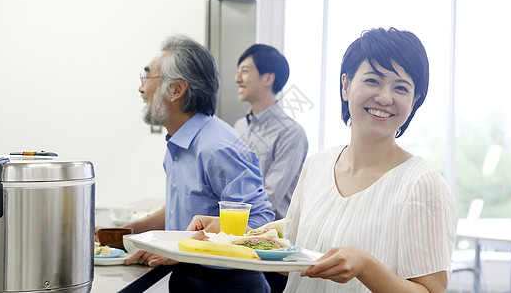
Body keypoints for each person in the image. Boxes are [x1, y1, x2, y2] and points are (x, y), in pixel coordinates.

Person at [187, 27, 458, 293]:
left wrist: (365, 267)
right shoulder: (317, 165)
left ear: (414, 100)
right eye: (373, 81)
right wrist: (231, 234)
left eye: (401, 87)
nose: (385, 97)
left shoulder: (423, 184)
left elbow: (430, 290)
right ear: (346, 85)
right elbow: (291, 258)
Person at [123, 35, 275, 293]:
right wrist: (121, 232)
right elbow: (178, 209)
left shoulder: (217, 147)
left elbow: (260, 223)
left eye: (147, 78)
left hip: (228, 285)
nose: (141, 89)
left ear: (176, 90)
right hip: (189, 277)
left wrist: (184, 250)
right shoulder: (179, 142)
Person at [233, 44, 308, 292]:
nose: (237, 78)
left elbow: (270, 199)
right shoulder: (239, 127)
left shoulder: (291, 134)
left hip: (271, 253)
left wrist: (223, 222)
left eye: (244, 70)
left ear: (268, 78)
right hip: (235, 244)